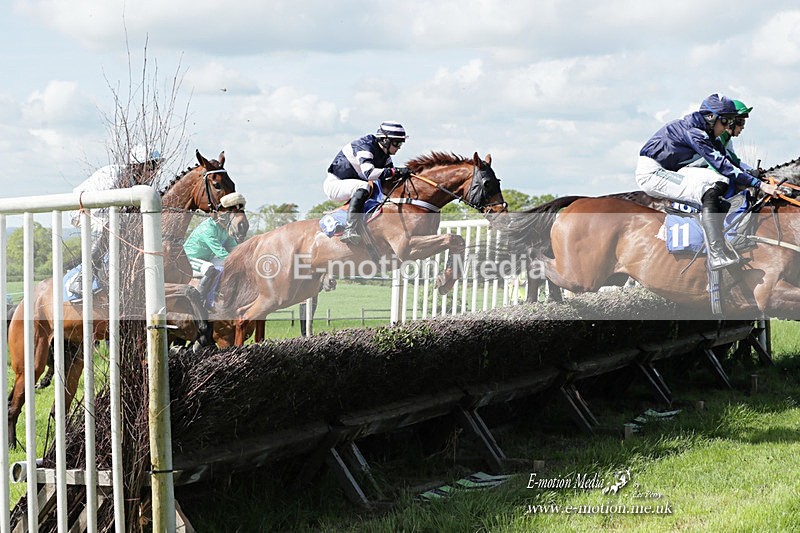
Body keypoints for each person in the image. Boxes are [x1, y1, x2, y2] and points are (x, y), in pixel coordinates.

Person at [636, 94, 778, 270]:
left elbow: (728, 161)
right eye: (726, 121)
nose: (728, 127)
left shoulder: (708, 133)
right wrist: (759, 185)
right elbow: (721, 165)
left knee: (719, 180)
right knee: (709, 185)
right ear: (712, 118)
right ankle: (716, 253)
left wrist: (756, 177)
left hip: (669, 170)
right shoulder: (695, 133)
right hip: (652, 173)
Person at [69, 145, 163, 295]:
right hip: (81, 209)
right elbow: (102, 207)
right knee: (109, 224)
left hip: (104, 212)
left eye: (157, 165)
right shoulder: (114, 175)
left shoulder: (138, 183)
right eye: (151, 165)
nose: (155, 171)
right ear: (137, 166)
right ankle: (82, 277)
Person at [324, 121, 411, 244]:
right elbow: (369, 174)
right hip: (335, 185)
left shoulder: (384, 155)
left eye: (401, 143)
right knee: (364, 185)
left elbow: (389, 179)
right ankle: (350, 229)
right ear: (385, 140)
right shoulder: (365, 147)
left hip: (352, 184)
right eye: (397, 143)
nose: (399, 147)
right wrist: (395, 171)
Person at [184, 192, 247, 306]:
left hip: (206, 259)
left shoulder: (224, 229)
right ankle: (200, 301)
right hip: (189, 259)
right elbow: (220, 252)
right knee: (211, 268)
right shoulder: (208, 229)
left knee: (227, 266)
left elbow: (234, 249)